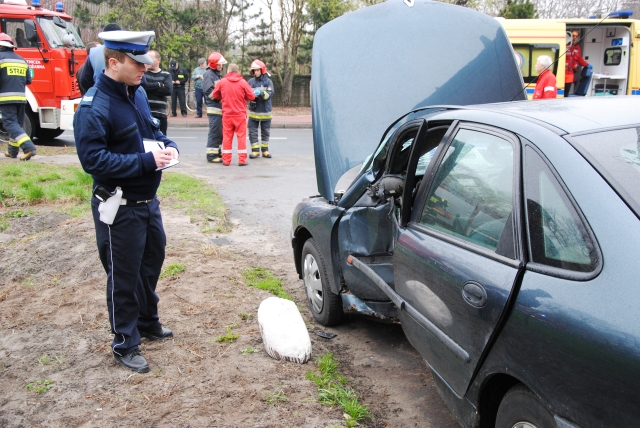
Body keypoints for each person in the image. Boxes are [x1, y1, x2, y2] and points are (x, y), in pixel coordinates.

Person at [74, 30, 179, 374]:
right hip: (119, 206)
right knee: (123, 276)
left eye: (146, 61)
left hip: (148, 202)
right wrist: (147, 163)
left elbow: (152, 133)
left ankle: (147, 322)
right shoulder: (94, 106)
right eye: (138, 62)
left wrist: (168, 145)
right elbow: (94, 162)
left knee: (150, 262)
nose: (145, 68)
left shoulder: (138, 93)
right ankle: (125, 342)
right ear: (113, 62)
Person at [0, 33, 36, 161]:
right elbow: (28, 80)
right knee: (17, 125)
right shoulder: (21, 59)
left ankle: (28, 147)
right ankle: (12, 151)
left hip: (5, 99)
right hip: (21, 98)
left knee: (10, 124)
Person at [212, 63, 256, 166]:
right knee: (241, 137)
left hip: (227, 114)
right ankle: (242, 160)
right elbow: (252, 96)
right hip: (240, 114)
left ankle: (226, 160)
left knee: (227, 137)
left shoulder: (222, 82)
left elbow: (215, 95)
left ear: (228, 71)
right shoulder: (242, 82)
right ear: (238, 71)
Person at [79, 23, 122, 92]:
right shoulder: (127, 51)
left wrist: (95, 91)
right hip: (123, 96)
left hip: (101, 95)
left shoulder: (93, 53)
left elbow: (84, 79)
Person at [247, 59, 274, 159]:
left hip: (265, 112)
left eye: (258, 70)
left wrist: (261, 93)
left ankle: (265, 151)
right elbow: (246, 94)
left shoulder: (268, 81)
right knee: (252, 132)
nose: (256, 72)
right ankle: (255, 151)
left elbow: (268, 95)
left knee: (265, 132)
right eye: (254, 70)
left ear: (262, 70)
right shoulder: (250, 82)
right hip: (253, 112)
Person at [202, 52, 227, 163]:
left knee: (219, 131)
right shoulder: (209, 74)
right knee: (215, 130)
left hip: (219, 108)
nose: (221, 66)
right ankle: (211, 155)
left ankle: (217, 151)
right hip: (214, 108)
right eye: (219, 64)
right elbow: (208, 91)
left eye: (221, 64)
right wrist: (219, 98)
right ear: (213, 64)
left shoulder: (216, 74)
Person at [144, 50, 173, 135]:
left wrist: (149, 88)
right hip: (145, 114)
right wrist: (159, 84)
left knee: (161, 140)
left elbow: (168, 90)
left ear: (158, 60)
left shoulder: (166, 75)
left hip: (160, 115)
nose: (147, 61)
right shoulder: (143, 74)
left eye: (150, 58)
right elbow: (142, 87)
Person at [565, 30, 589, 96]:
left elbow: (579, 59)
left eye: (576, 36)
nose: (574, 38)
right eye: (573, 36)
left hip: (570, 73)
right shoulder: (564, 45)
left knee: (566, 92)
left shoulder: (577, 47)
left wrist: (587, 65)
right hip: (562, 72)